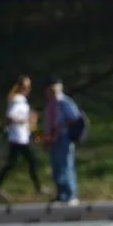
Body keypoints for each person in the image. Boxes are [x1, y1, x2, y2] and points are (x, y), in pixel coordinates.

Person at [0, 75, 47, 201]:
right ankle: (38, 188)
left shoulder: (20, 100)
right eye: (27, 86)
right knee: (31, 161)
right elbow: (10, 117)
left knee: (12, 163)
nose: (29, 88)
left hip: (21, 136)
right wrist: (25, 120)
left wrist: (30, 122)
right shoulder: (17, 100)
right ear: (21, 87)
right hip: (17, 137)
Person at [42, 76, 83, 206]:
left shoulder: (65, 102)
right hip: (52, 138)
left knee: (66, 165)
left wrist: (61, 127)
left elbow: (75, 118)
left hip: (63, 137)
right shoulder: (50, 104)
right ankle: (61, 194)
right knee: (56, 167)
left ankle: (71, 195)